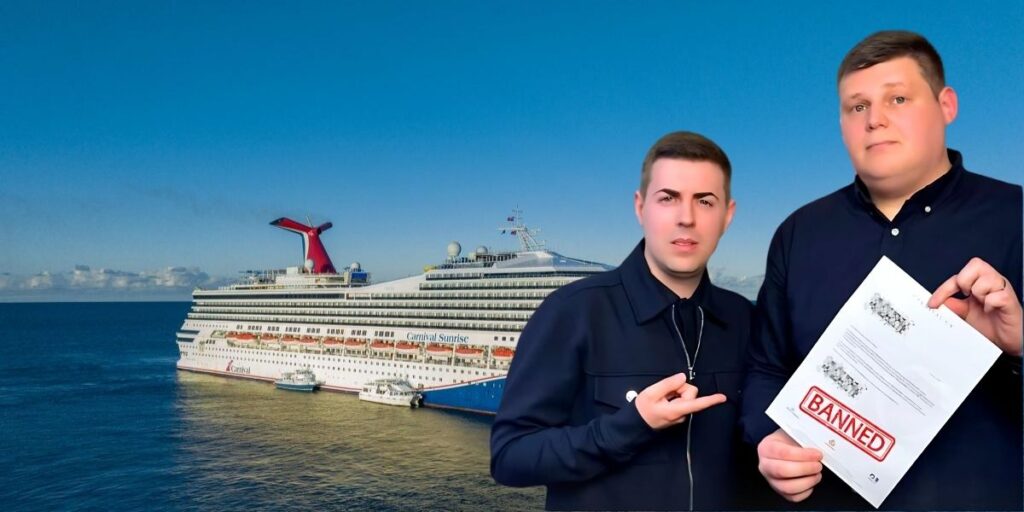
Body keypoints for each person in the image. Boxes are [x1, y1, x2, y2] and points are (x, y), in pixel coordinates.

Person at [740, 30, 1023, 510]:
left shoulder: (1016, 217)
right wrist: (768, 440)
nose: (875, 119)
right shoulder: (798, 234)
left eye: (898, 98)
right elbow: (765, 369)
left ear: (946, 105)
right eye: (857, 106)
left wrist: (1019, 347)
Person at [490, 131, 765, 510]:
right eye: (668, 198)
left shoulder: (744, 318)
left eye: (705, 201)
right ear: (640, 208)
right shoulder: (573, 312)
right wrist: (633, 424)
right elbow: (509, 457)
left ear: (727, 215)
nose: (686, 218)